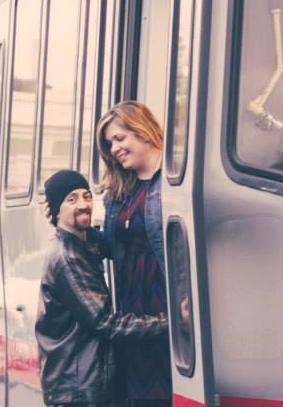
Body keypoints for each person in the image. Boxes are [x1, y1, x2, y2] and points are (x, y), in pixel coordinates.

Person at [36, 169, 167, 407]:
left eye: (86, 196)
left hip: (81, 388)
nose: (83, 204)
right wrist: (171, 323)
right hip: (80, 393)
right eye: (71, 199)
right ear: (56, 209)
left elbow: (101, 242)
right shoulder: (68, 258)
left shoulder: (80, 244)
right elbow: (106, 323)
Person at [96, 101, 171, 407]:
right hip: (132, 306)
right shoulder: (120, 190)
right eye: (110, 143)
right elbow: (111, 247)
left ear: (142, 131)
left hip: (163, 300)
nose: (114, 149)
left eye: (120, 138)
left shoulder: (171, 181)